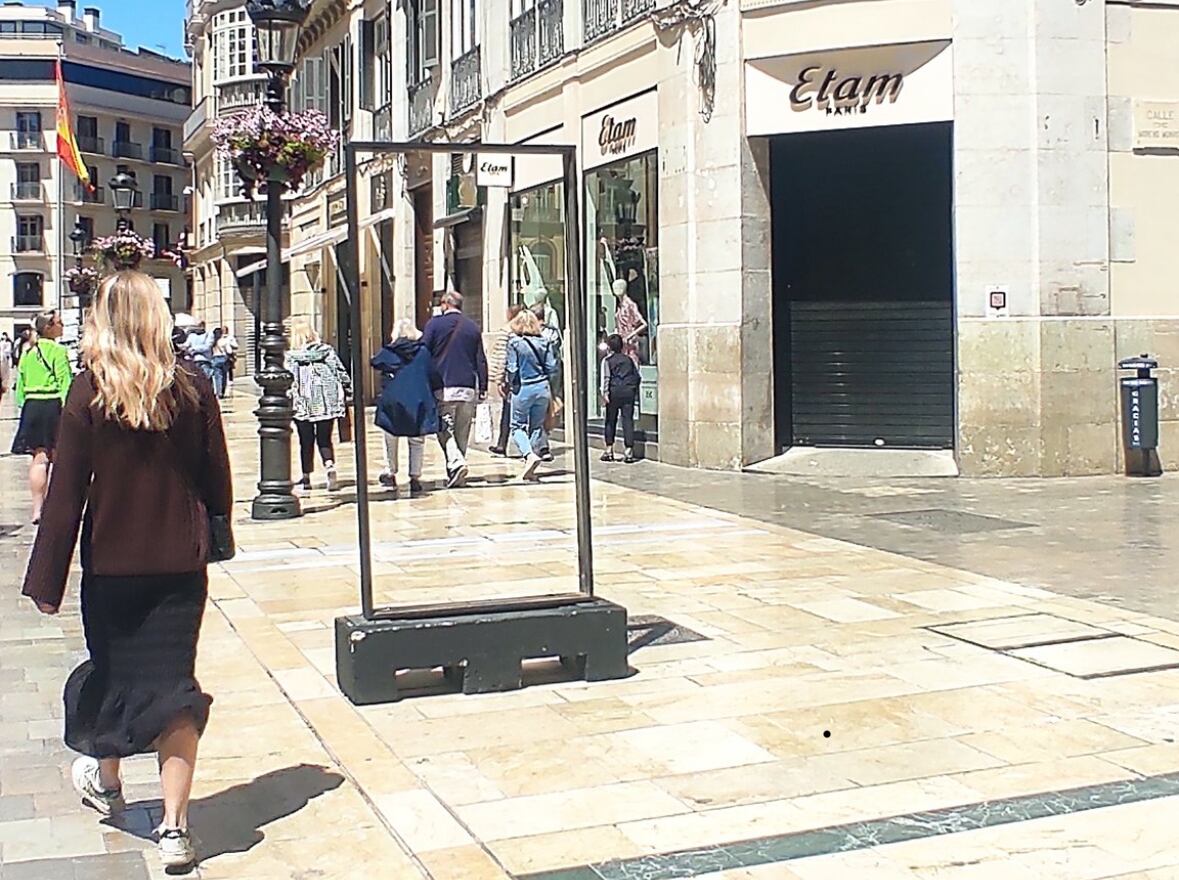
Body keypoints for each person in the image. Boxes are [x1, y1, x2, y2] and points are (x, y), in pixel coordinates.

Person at [21, 271, 233, 871]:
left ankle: (109, 784)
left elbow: (66, 494)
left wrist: (46, 580)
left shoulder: (88, 393)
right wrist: (215, 538)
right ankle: (174, 828)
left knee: (114, 676)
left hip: (112, 567)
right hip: (179, 568)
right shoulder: (192, 387)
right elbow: (216, 477)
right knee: (175, 690)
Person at [421, 291, 487, 488]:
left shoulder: (434, 325)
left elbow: (424, 352)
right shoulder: (472, 327)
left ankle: (456, 462)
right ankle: (456, 468)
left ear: (444, 304)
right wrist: (483, 385)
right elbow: (480, 359)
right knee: (462, 430)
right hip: (467, 386)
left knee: (443, 428)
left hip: (443, 384)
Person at [11, 311, 72, 525]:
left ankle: (37, 509)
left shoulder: (28, 353)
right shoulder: (58, 351)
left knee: (38, 460)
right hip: (52, 404)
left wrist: (24, 405)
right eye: (59, 323)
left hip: (32, 405)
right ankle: (56, 507)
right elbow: (65, 382)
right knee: (59, 457)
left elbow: (20, 386)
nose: (62, 326)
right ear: (49, 328)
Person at [371, 318, 438, 496]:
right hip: (418, 399)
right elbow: (433, 372)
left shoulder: (391, 351)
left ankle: (390, 472)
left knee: (390, 436)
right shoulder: (423, 351)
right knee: (416, 440)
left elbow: (375, 362)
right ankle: (415, 477)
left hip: (394, 401)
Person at [286, 316, 350, 493]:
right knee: (325, 438)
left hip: (303, 403)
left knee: (305, 441)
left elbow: (289, 379)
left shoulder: (293, 357)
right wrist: (347, 387)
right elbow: (339, 370)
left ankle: (306, 477)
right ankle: (329, 467)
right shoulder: (326, 351)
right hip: (325, 402)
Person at [506, 309, 557, 482]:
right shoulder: (545, 341)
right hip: (542, 388)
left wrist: (510, 383)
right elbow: (552, 367)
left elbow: (512, 368)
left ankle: (529, 455)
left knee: (517, 426)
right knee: (536, 426)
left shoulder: (514, 342)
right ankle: (532, 459)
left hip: (523, 388)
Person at [600, 333, 641, 464]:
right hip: (628, 393)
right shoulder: (629, 360)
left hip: (614, 392)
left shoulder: (607, 361)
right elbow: (637, 376)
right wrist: (633, 389)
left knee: (610, 421)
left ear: (609, 347)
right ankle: (628, 452)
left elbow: (606, 378)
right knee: (627, 421)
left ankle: (609, 450)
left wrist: (605, 393)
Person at [488, 305, 522, 457]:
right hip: (525, 376)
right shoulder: (525, 330)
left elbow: (502, 356)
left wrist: (498, 378)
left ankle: (502, 444)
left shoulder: (506, 331)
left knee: (507, 411)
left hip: (511, 376)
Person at [532, 302, 563, 462]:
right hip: (550, 376)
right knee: (544, 411)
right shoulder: (553, 333)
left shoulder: (534, 335)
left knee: (538, 413)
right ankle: (541, 443)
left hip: (539, 379)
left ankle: (541, 446)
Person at [612, 278, 647, 366]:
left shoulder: (630, 305)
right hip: (621, 345)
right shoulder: (620, 306)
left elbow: (643, 324)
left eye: (618, 287)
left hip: (629, 345)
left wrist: (630, 336)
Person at [210, 327, 230, 399]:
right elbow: (229, 351)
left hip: (215, 359)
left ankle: (219, 392)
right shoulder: (223, 341)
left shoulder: (213, 342)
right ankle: (223, 391)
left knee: (217, 377)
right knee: (224, 376)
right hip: (223, 358)